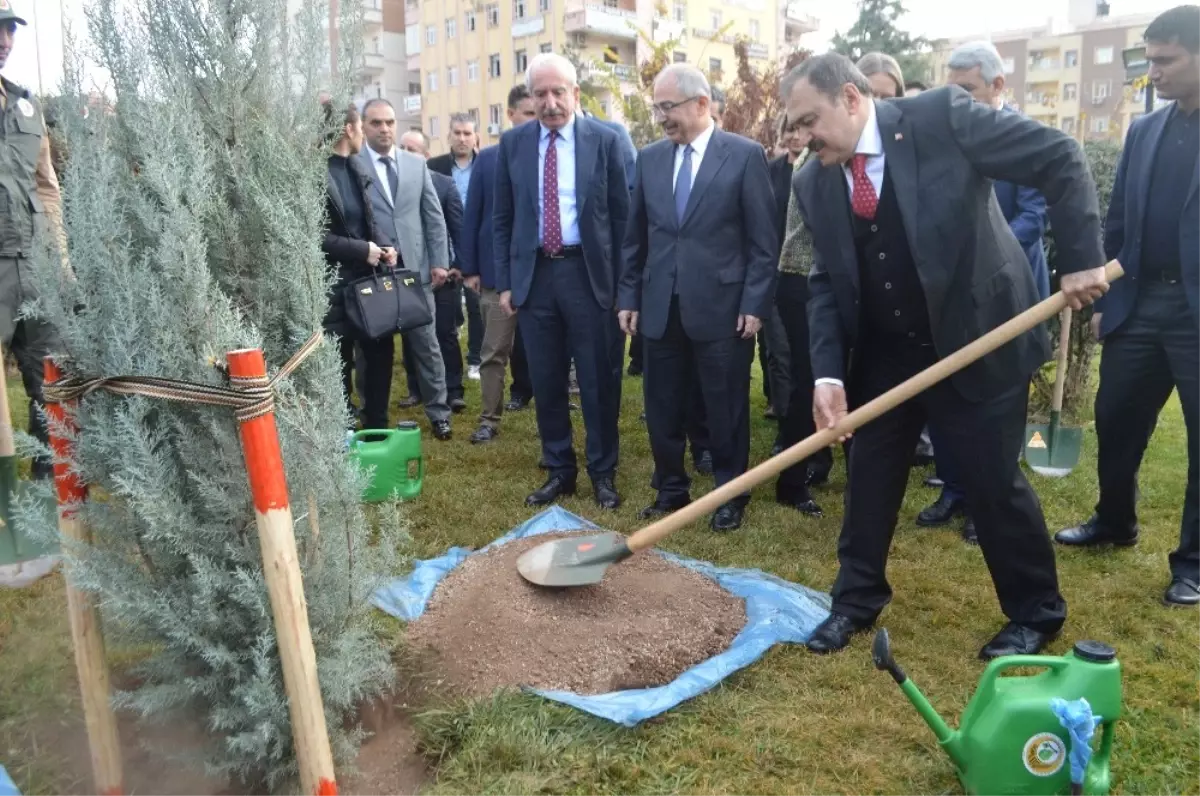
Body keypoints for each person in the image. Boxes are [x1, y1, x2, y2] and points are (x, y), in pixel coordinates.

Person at [783, 54, 1108, 659]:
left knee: (990, 481)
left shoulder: (942, 118)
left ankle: (1036, 612)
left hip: (975, 335)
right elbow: (827, 279)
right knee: (870, 477)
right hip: (886, 353)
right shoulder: (813, 179)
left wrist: (1082, 256)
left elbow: (1058, 156)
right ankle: (854, 601)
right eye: (794, 127)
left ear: (851, 99)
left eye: (809, 121)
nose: (802, 139)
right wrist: (827, 373)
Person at [1056, 5, 1200, 607]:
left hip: (1196, 315)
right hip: (1140, 302)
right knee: (1115, 419)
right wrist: (1104, 293)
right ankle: (1114, 520)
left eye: (1164, 61)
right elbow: (1119, 222)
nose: (1153, 73)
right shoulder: (1145, 130)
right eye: (1149, 61)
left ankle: (1192, 563)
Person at [619, 64, 777, 532]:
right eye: (657, 108)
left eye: (668, 107)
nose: (661, 117)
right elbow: (636, 238)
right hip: (660, 306)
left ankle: (730, 494)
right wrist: (628, 294)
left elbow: (763, 242)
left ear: (701, 104)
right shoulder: (649, 158)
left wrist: (754, 303)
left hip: (724, 310)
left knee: (725, 406)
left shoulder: (744, 156)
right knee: (663, 404)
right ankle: (670, 489)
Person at [920, 39, 1054, 543]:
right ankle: (954, 489)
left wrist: (978, 259)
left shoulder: (1025, 137)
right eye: (949, 90)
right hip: (954, 296)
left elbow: (1032, 219)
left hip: (1009, 296)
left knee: (999, 401)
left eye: (968, 90)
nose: (957, 101)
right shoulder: (949, 141)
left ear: (998, 85)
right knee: (951, 390)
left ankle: (988, 501)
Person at [493, 53, 630, 509]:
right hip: (536, 278)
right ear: (530, 97)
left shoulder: (607, 141)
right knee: (547, 380)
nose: (550, 103)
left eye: (558, 92)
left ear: (575, 92)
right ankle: (559, 470)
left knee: (598, 379)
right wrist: (508, 281)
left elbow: (622, 217)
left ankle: (603, 473)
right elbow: (503, 218)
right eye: (540, 94)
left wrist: (623, 286)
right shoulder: (513, 145)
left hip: (589, 277)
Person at [358, 98, 453, 440]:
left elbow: (433, 216)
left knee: (427, 345)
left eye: (389, 122)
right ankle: (371, 414)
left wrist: (440, 261)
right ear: (364, 127)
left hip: (416, 273)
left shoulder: (416, 165)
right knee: (372, 352)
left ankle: (439, 413)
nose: (384, 129)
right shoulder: (354, 166)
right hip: (373, 275)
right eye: (376, 123)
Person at [0, 5, 65, 481]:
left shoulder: (26, 105)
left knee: (48, 378)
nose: (5, 39)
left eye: (9, 31)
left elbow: (47, 185)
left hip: (35, 261)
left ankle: (48, 494)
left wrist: (60, 257)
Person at [462, 84, 538, 444]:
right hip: (496, 274)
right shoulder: (489, 159)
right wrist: (472, 267)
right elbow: (474, 213)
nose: (536, 119)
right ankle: (489, 419)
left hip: (543, 272)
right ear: (511, 114)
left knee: (548, 351)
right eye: (529, 112)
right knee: (493, 350)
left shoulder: (552, 157)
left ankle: (552, 419)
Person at [320, 102, 398, 430]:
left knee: (380, 356)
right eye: (360, 126)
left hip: (369, 284)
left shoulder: (356, 167)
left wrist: (383, 245)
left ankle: (377, 424)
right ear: (349, 129)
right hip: (333, 288)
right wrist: (359, 250)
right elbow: (314, 236)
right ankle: (343, 433)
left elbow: (368, 220)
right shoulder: (315, 172)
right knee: (339, 363)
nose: (364, 133)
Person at [769, 114, 824, 517]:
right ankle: (792, 480)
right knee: (809, 381)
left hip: (833, 284)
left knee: (836, 380)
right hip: (802, 281)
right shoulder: (813, 162)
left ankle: (817, 463)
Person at [398, 129, 467, 415]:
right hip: (409, 273)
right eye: (403, 148)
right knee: (410, 332)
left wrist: (458, 266)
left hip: (443, 274)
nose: (406, 154)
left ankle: (453, 390)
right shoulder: (393, 186)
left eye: (413, 149)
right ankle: (417, 388)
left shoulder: (444, 184)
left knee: (443, 333)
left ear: (426, 156)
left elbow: (456, 228)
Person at [428, 113, 483, 377]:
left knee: (476, 304)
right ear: (448, 135)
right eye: (457, 133)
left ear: (476, 137)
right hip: (443, 245)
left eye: (467, 133)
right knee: (445, 312)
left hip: (477, 243)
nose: (462, 138)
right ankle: (446, 366)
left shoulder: (486, 164)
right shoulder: (433, 166)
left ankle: (476, 359)